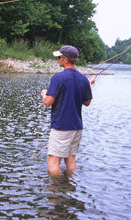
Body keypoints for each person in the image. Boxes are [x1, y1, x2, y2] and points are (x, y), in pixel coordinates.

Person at [40, 45, 95, 175]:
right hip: (77, 127)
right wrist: (89, 85)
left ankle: (56, 191)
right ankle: (69, 186)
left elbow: (48, 102)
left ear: (65, 60)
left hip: (61, 127)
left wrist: (44, 94)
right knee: (70, 159)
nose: (57, 60)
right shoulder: (83, 79)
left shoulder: (58, 78)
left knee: (53, 161)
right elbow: (87, 102)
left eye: (59, 57)